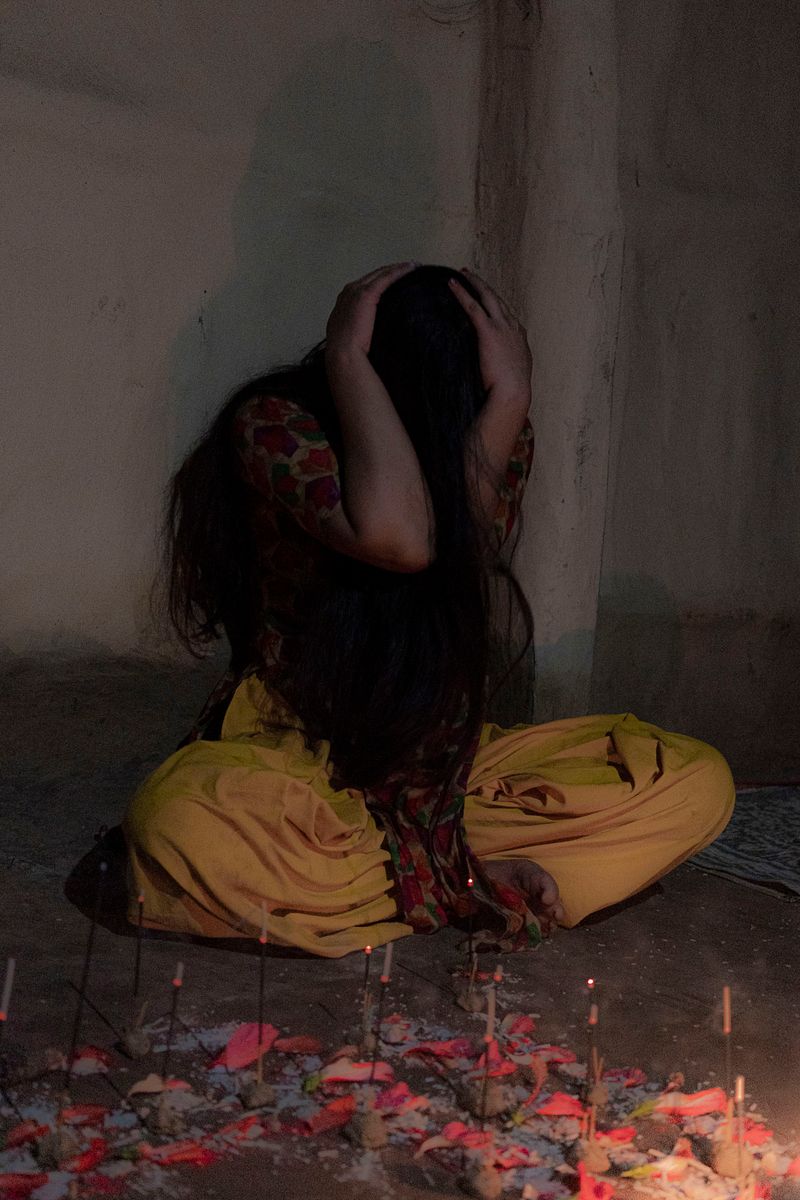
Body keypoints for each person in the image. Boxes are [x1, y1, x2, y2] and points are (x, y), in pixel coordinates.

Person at [123, 262, 734, 957]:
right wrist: (350, 364)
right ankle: (456, 881)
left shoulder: (497, 432)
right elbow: (402, 540)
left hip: (439, 775)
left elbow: (452, 556)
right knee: (179, 823)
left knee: (694, 781)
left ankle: (422, 872)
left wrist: (511, 399)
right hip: (297, 756)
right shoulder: (277, 425)